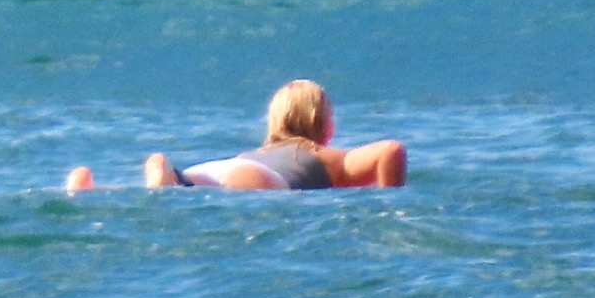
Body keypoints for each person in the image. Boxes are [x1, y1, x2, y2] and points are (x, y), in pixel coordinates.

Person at [62, 81, 407, 193]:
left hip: (211, 170)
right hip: (260, 181)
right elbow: (390, 151)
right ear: (323, 124)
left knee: (179, 193)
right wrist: (389, 206)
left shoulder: (256, 151)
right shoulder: (327, 158)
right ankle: (162, 181)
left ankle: (92, 187)